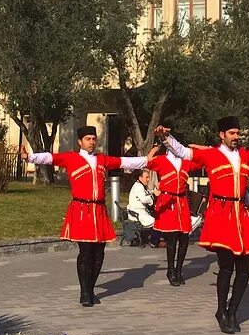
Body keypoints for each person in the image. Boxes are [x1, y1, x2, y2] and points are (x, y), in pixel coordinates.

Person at [158, 119, 249, 334]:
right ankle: (222, 311)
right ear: (222, 135)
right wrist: (165, 138)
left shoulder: (245, 155)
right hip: (220, 214)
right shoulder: (210, 155)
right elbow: (183, 152)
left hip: (240, 214)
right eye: (232, 132)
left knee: (244, 270)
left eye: (237, 133)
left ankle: (232, 310)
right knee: (226, 267)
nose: (236, 136)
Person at [22, 125, 150, 307]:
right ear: (80, 142)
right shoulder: (72, 158)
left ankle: (90, 288)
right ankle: (84, 292)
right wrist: (30, 157)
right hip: (82, 210)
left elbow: (123, 162)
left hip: (99, 211)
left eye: (93, 139)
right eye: (88, 139)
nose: (92, 142)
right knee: (85, 251)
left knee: (99, 253)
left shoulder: (102, 159)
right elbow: (51, 158)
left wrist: (146, 160)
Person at [147, 141, 204, 286]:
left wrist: (196, 147)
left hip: (182, 202)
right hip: (168, 201)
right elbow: (147, 162)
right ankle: (170, 270)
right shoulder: (162, 160)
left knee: (184, 239)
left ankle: (179, 270)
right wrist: (154, 150)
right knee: (171, 240)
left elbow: (202, 161)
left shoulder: (186, 161)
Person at [126, 169, 156, 249]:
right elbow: (144, 199)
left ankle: (154, 240)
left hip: (140, 211)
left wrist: (153, 192)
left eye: (148, 177)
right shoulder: (138, 186)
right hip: (137, 212)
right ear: (140, 178)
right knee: (156, 222)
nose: (148, 179)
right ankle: (154, 241)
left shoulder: (140, 186)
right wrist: (151, 198)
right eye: (146, 177)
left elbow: (146, 193)